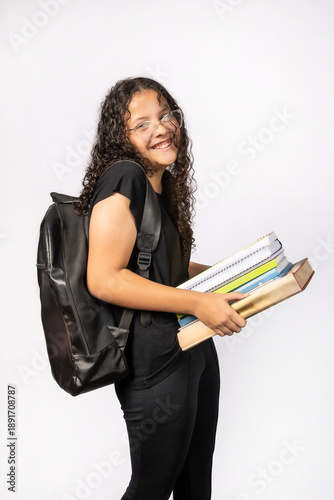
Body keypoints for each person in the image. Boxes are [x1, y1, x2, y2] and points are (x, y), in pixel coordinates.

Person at [75, 77, 247, 500]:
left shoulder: (159, 183)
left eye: (166, 114)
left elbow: (159, 267)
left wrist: (244, 274)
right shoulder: (125, 177)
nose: (162, 127)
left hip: (193, 346)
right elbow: (105, 277)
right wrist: (198, 302)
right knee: (151, 489)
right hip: (154, 360)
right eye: (143, 123)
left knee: (194, 487)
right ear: (122, 138)